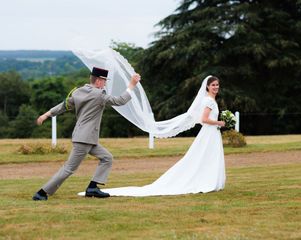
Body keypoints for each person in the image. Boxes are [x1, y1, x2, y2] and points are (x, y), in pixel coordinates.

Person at [85, 76, 226, 197]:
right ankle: (207, 181)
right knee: (204, 156)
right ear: (207, 87)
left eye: (217, 85)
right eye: (213, 85)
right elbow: (204, 119)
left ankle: (210, 180)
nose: (216, 87)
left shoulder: (209, 100)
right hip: (209, 133)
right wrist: (220, 122)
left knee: (208, 157)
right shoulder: (208, 101)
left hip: (211, 133)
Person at [32, 67, 141, 200]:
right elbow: (120, 101)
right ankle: (42, 193)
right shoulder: (99, 95)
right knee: (68, 169)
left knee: (107, 158)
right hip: (85, 139)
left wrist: (45, 115)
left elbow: (62, 106)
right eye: (105, 81)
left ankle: (92, 188)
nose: (105, 84)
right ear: (99, 81)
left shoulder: (78, 92)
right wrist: (131, 85)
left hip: (86, 137)